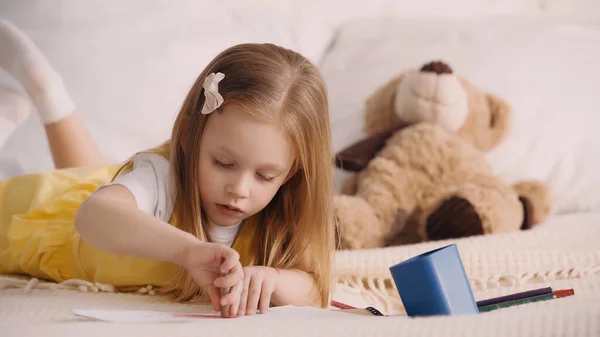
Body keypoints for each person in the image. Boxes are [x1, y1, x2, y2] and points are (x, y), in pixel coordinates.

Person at [0, 19, 336, 318]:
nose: (240, 189)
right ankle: (39, 92)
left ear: (291, 172)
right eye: (223, 163)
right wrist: (188, 250)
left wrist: (274, 280)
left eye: (265, 176)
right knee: (81, 187)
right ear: (189, 138)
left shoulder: (284, 205)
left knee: (96, 174)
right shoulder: (162, 176)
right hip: (43, 216)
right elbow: (92, 214)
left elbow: (316, 285)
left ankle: (45, 95)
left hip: (104, 190)